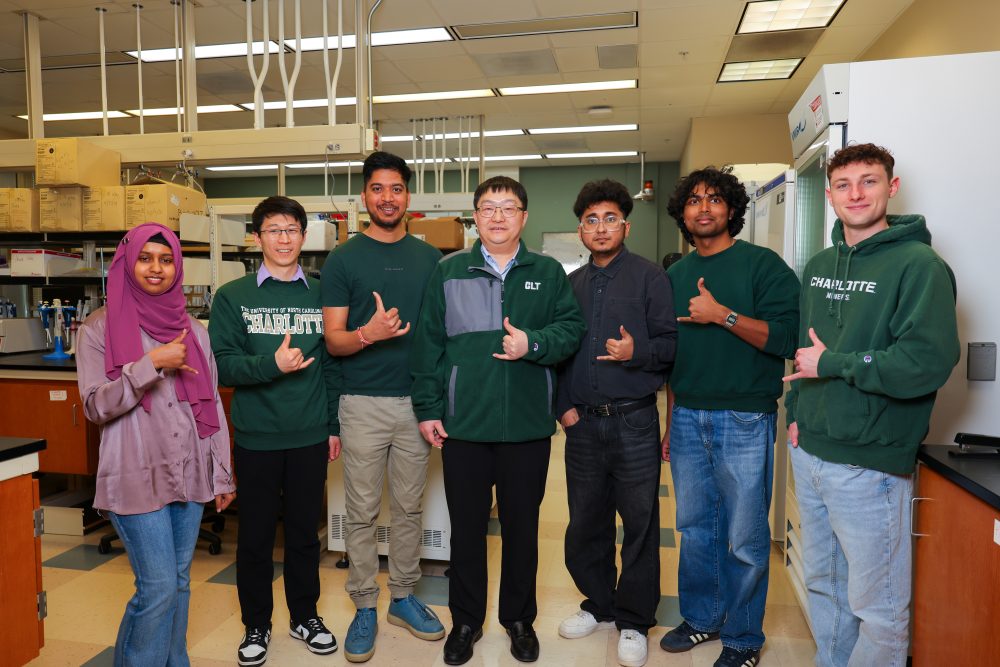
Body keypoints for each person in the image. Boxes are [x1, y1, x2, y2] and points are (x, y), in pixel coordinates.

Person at [783, 143, 959, 667]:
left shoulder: (920, 266)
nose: (855, 193)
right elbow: (801, 353)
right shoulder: (818, 266)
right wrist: (796, 418)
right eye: (843, 185)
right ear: (832, 196)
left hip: (870, 464)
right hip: (811, 453)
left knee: (877, 607)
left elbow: (925, 363)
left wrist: (835, 365)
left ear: (892, 187)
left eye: (869, 181)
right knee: (825, 587)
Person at [411, 175, 587, 666]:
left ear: (523, 217)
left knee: (522, 531)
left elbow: (571, 330)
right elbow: (427, 347)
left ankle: (518, 620)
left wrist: (532, 344)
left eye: (508, 208)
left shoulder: (548, 272)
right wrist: (428, 408)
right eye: (488, 208)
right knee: (466, 532)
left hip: (527, 428)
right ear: (475, 216)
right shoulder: (449, 272)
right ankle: (465, 621)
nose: (497, 217)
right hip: (463, 427)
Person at [76, 222, 235, 666]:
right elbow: (95, 406)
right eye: (145, 258)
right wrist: (149, 365)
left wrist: (222, 472)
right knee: (159, 587)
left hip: (188, 473)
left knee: (180, 581)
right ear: (127, 263)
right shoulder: (98, 330)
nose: (156, 268)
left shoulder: (195, 332)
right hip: (135, 476)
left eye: (166, 260)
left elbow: (212, 409)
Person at [660, 168, 800, 667]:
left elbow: (787, 340)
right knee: (695, 528)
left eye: (714, 199)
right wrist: (670, 423)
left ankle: (742, 638)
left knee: (744, 535)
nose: (703, 208)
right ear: (683, 212)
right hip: (688, 417)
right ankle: (702, 618)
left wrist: (723, 315)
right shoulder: (673, 277)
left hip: (744, 418)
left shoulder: (764, 267)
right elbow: (671, 359)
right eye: (694, 200)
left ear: (731, 209)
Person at [320, 151, 444, 663]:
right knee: (363, 511)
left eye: (396, 188)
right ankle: (366, 604)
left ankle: (405, 596)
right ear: (365, 196)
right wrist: (368, 334)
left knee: (410, 506)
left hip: (416, 404)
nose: (387, 197)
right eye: (377, 189)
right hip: (362, 403)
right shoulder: (343, 260)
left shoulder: (431, 258)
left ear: (407, 196)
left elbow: (439, 334)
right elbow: (333, 340)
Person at [209, 196, 341, 666]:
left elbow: (329, 367)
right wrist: (273, 364)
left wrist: (331, 425)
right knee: (256, 537)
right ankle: (256, 624)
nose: (283, 239)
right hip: (257, 436)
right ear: (257, 237)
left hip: (308, 435)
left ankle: (304, 616)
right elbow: (223, 367)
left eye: (291, 230)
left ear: (304, 237)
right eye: (273, 230)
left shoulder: (322, 293)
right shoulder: (233, 297)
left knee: (306, 535)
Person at [554, 179, 677, 667]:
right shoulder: (572, 285)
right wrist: (562, 407)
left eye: (609, 219)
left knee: (641, 523)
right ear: (580, 230)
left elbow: (670, 347)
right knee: (586, 523)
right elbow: (560, 353)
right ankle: (599, 605)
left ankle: (633, 620)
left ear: (625, 225)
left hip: (634, 423)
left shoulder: (650, 279)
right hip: (582, 425)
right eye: (591, 220)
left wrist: (636, 352)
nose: (600, 227)